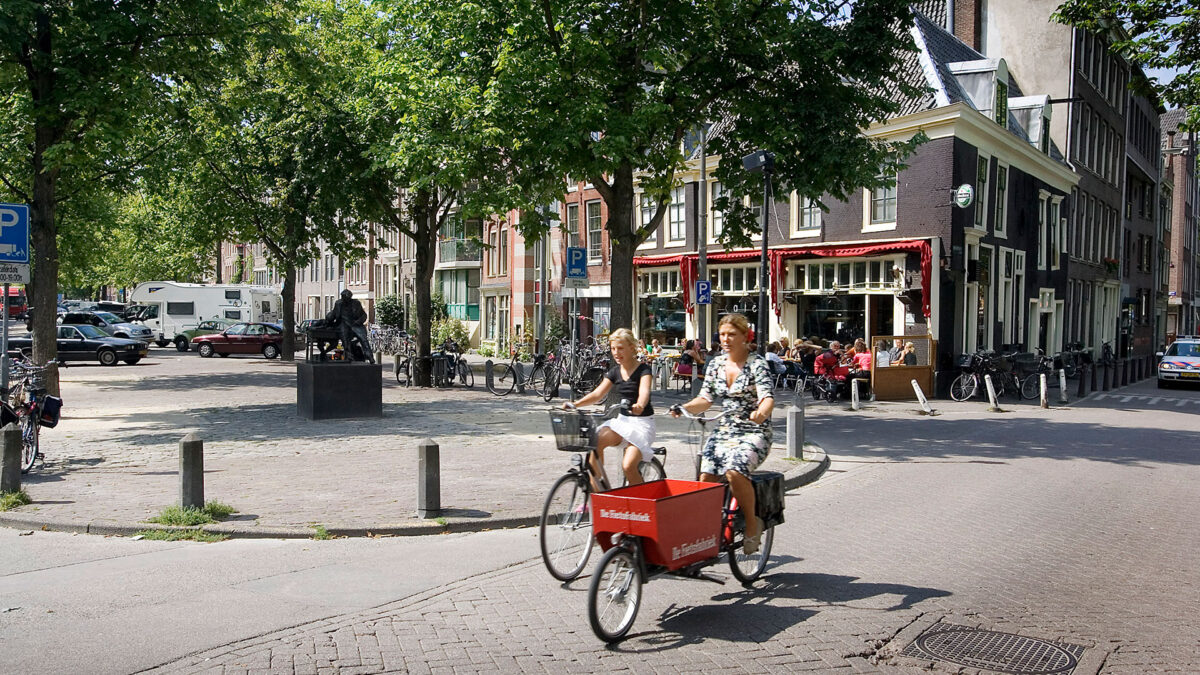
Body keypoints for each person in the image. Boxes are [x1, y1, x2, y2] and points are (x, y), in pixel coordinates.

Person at [670, 314, 774, 554]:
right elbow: (705, 399)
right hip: (726, 428)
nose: (726, 339)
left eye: (732, 334)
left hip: (753, 430)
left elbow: (767, 397)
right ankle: (705, 532)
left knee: (735, 470)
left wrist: (761, 412)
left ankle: (751, 524)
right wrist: (684, 408)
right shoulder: (716, 364)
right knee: (706, 477)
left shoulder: (757, 364)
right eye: (723, 334)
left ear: (745, 337)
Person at [568, 328, 656, 488]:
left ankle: (643, 501)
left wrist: (639, 405)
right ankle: (598, 495)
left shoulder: (644, 370)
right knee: (595, 442)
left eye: (620, 348)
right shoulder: (615, 371)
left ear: (632, 347)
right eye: (613, 348)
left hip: (642, 424)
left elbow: (644, 392)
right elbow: (597, 394)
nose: (616, 353)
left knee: (628, 466)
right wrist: (575, 404)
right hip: (623, 422)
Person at [327, 289, 374, 363]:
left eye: (345, 298)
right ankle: (349, 357)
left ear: (349, 297)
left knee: (363, 339)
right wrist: (328, 319)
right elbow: (334, 314)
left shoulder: (356, 303)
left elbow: (364, 315)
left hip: (355, 324)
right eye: (342, 297)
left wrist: (359, 321)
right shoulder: (338, 303)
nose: (343, 299)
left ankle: (369, 356)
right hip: (343, 324)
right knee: (345, 339)